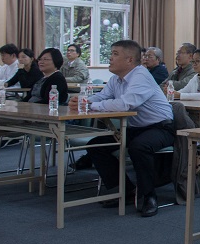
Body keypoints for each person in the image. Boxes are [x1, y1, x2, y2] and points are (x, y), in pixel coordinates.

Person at [73, 39, 175, 218]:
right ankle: (126, 190)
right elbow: (102, 96)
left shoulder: (140, 75)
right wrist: (83, 101)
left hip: (161, 127)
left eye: (115, 54)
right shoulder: (116, 79)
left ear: (130, 60)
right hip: (135, 128)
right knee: (97, 146)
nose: (110, 58)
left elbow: (126, 104)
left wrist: (92, 106)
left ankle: (149, 195)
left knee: (139, 147)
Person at [0, 48, 69, 173]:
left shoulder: (57, 78)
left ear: (56, 62)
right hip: (29, 114)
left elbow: (47, 103)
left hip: (41, 119)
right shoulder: (43, 78)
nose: (41, 62)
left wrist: (24, 108)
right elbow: (27, 98)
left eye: (46, 59)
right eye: (40, 59)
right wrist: (19, 106)